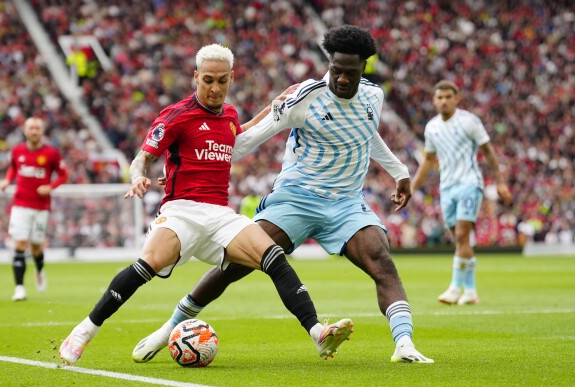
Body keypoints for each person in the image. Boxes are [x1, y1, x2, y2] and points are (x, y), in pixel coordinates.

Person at [133, 25, 434, 364]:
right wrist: (187, 160)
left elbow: (367, 134)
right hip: (296, 199)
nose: (342, 80)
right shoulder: (304, 97)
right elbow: (244, 143)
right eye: (336, 71)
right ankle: (169, 328)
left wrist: (400, 172)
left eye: (350, 73)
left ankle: (404, 345)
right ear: (329, 64)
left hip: (347, 203)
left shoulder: (374, 96)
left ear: (364, 67)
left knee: (382, 261)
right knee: (236, 264)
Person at [59, 44, 353, 365]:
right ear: (195, 77)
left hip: (220, 215)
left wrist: (274, 106)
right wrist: (137, 177)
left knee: (273, 256)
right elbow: (142, 158)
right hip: (181, 211)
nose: (215, 88)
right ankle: (84, 331)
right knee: (147, 265)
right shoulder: (176, 115)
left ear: (231, 78)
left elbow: (236, 138)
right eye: (208, 80)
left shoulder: (229, 115)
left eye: (222, 81)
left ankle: (318, 334)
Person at [411, 80, 512, 305]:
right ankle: (471, 291)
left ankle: (455, 288)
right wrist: (411, 188)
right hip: (447, 187)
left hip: (469, 183)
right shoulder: (432, 127)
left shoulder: (469, 121)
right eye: (440, 97)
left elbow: (488, 151)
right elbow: (428, 161)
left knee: (462, 236)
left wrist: (500, 182)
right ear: (434, 100)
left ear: (457, 99)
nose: (444, 101)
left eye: (449, 97)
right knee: (461, 241)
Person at [0, 117, 69, 301]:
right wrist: (7, 180)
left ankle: (39, 269)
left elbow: (63, 175)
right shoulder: (17, 151)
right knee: (20, 245)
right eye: (31, 128)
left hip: (41, 207)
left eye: (37, 128)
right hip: (20, 205)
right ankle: (20, 288)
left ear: (42, 131)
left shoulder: (51, 153)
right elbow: (13, 168)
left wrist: (50, 187)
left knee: (36, 247)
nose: (34, 131)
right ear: (25, 130)